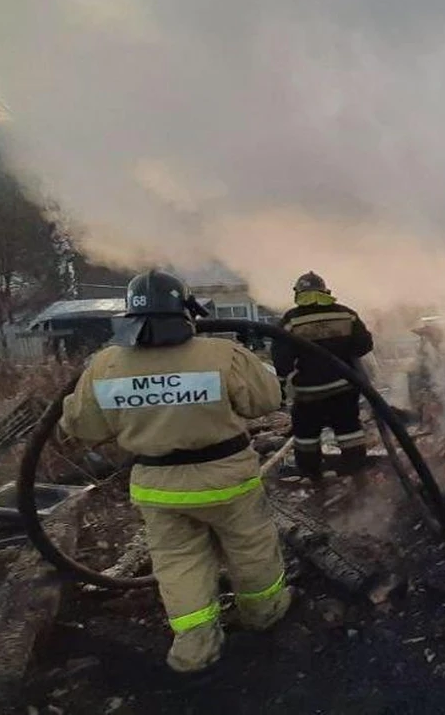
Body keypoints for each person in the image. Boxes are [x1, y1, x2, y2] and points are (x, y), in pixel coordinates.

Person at [59, 269, 289, 678]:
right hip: (229, 480)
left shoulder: (106, 365)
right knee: (251, 547)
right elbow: (267, 400)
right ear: (185, 311)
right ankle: (264, 614)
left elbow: (84, 428)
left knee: (178, 563)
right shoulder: (221, 354)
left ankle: (195, 646)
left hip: (161, 490)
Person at [271, 272, 373, 482]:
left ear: (299, 293)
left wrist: (283, 383)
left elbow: (281, 356)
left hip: (309, 393)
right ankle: (355, 471)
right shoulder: (346, 314)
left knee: (306, 435)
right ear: (324, 291)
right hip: (344, 387)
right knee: (349, 430)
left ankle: (311, 475)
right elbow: (364, 345)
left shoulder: (292, 320)